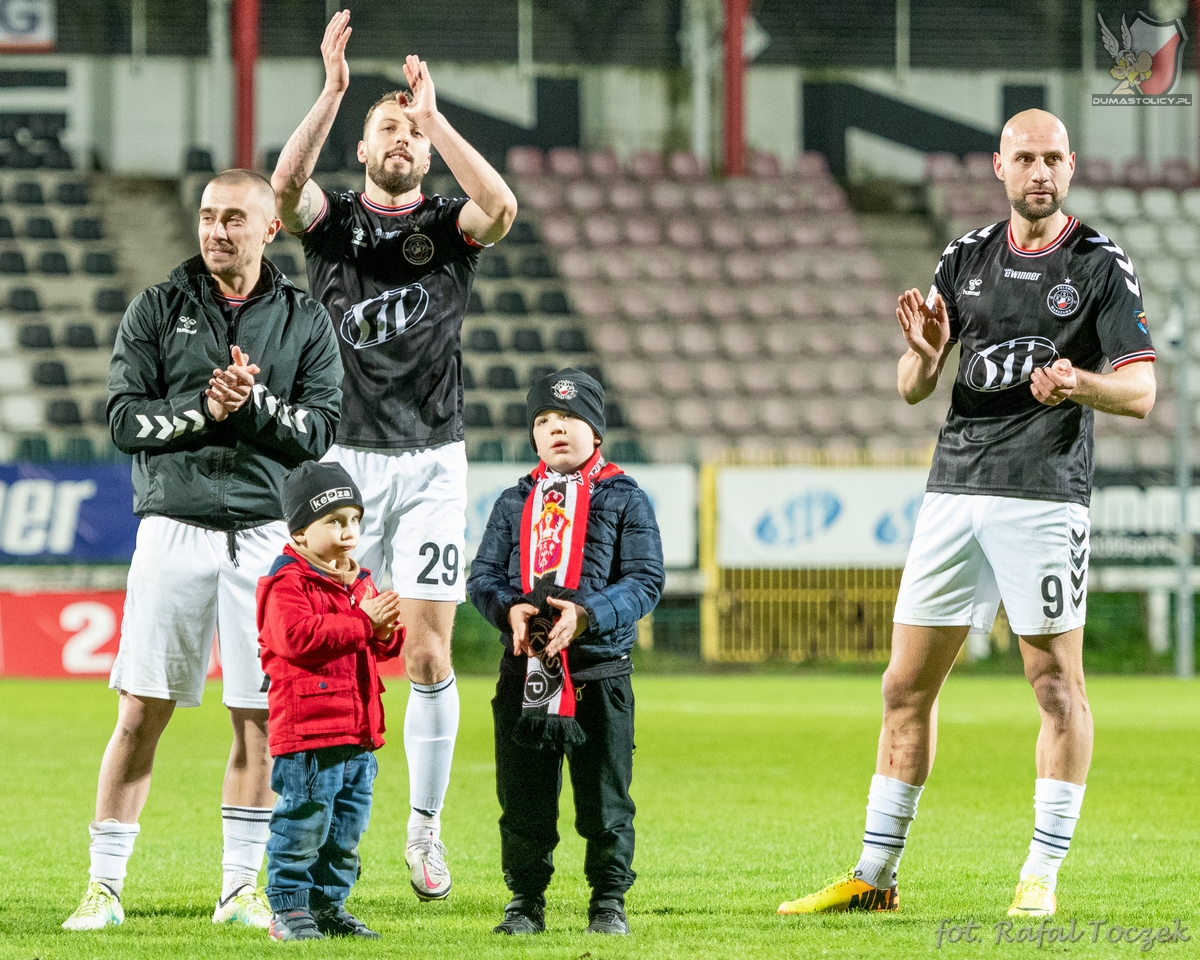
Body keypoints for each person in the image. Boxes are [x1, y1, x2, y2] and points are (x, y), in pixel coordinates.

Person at [777, 110, 1156, 919]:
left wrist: (1080, 383)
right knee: (903, 686)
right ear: (999, 166)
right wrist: (922, 349)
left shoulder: (1098, 265)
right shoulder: (965, 257)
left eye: (1054, 157)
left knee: (1055, 685)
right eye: (1026, 158)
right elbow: (914, 388)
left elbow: (1143, 391)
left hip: (1044, 497)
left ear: (1071, 165)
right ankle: (874, 878)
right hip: (952, 493)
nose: (1041, 171)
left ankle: (1040, 876)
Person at [270, 10, 519, 901]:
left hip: (430, 463)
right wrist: (335, 90)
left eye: (411, 130)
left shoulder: (450, 226)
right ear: (365, 147)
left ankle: (424, 834)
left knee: (424, 656)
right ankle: (313, 830)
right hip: (343, 464)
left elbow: (503, 208)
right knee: (328, 652)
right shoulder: (331, 223)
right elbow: (283, 185)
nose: (404, 139)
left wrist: (438, 115)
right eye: (392, 128)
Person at [62, 170, 344, 931]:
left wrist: (252, 406)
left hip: (264, 541)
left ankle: (239, 890)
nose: (217, 230)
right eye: (208, 217)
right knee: (140, 712)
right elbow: (124, 420)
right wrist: (202, 408)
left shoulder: (306, 321)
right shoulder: (155, 308)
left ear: (268, 229)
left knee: (258, 716)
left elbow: (318, 434)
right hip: (172, 530)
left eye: (233, 218)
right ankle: (104, 887)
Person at [467, 369, 665, 936]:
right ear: (532, 436)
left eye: (571, 418)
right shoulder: (514, 500)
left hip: (599, 674)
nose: (557, 429)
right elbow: (482, 575)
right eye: (544, 421)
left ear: (596, 431)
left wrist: (587, 615)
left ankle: (607, 903)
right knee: (523, 799)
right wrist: (507, 608)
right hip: (525, 673)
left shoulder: (625, 497)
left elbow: (646, 580)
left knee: (606, 800)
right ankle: (525, 902)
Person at [258, 461, 405, 941]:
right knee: (302, 824)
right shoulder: (287, 581)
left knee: (345, 832)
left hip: (359, 732)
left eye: (354, 520)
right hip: (308, 735)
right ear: (300, 531)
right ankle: (289, 911)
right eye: (334, 521)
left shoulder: (359, 578)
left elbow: (378, 646)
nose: (349, 531)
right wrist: (365, 621)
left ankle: (328, 906)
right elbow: (297, 638)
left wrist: (386, 632)